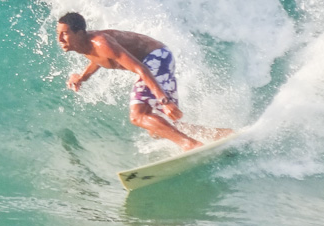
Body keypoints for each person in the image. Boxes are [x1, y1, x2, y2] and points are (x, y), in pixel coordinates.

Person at [57, 12, 227, 152]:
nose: (60, 39)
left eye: (64, 33)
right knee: (158, 129)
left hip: (156, 57)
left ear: (79, 33)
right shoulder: (84, 46)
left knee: (137, 116)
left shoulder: (101, 43)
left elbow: (140, 69)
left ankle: (190, 145)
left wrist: (164, 100)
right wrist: (81, 77)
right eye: (58, 33)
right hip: (157, 59)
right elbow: (99, 60)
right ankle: (218, 135)